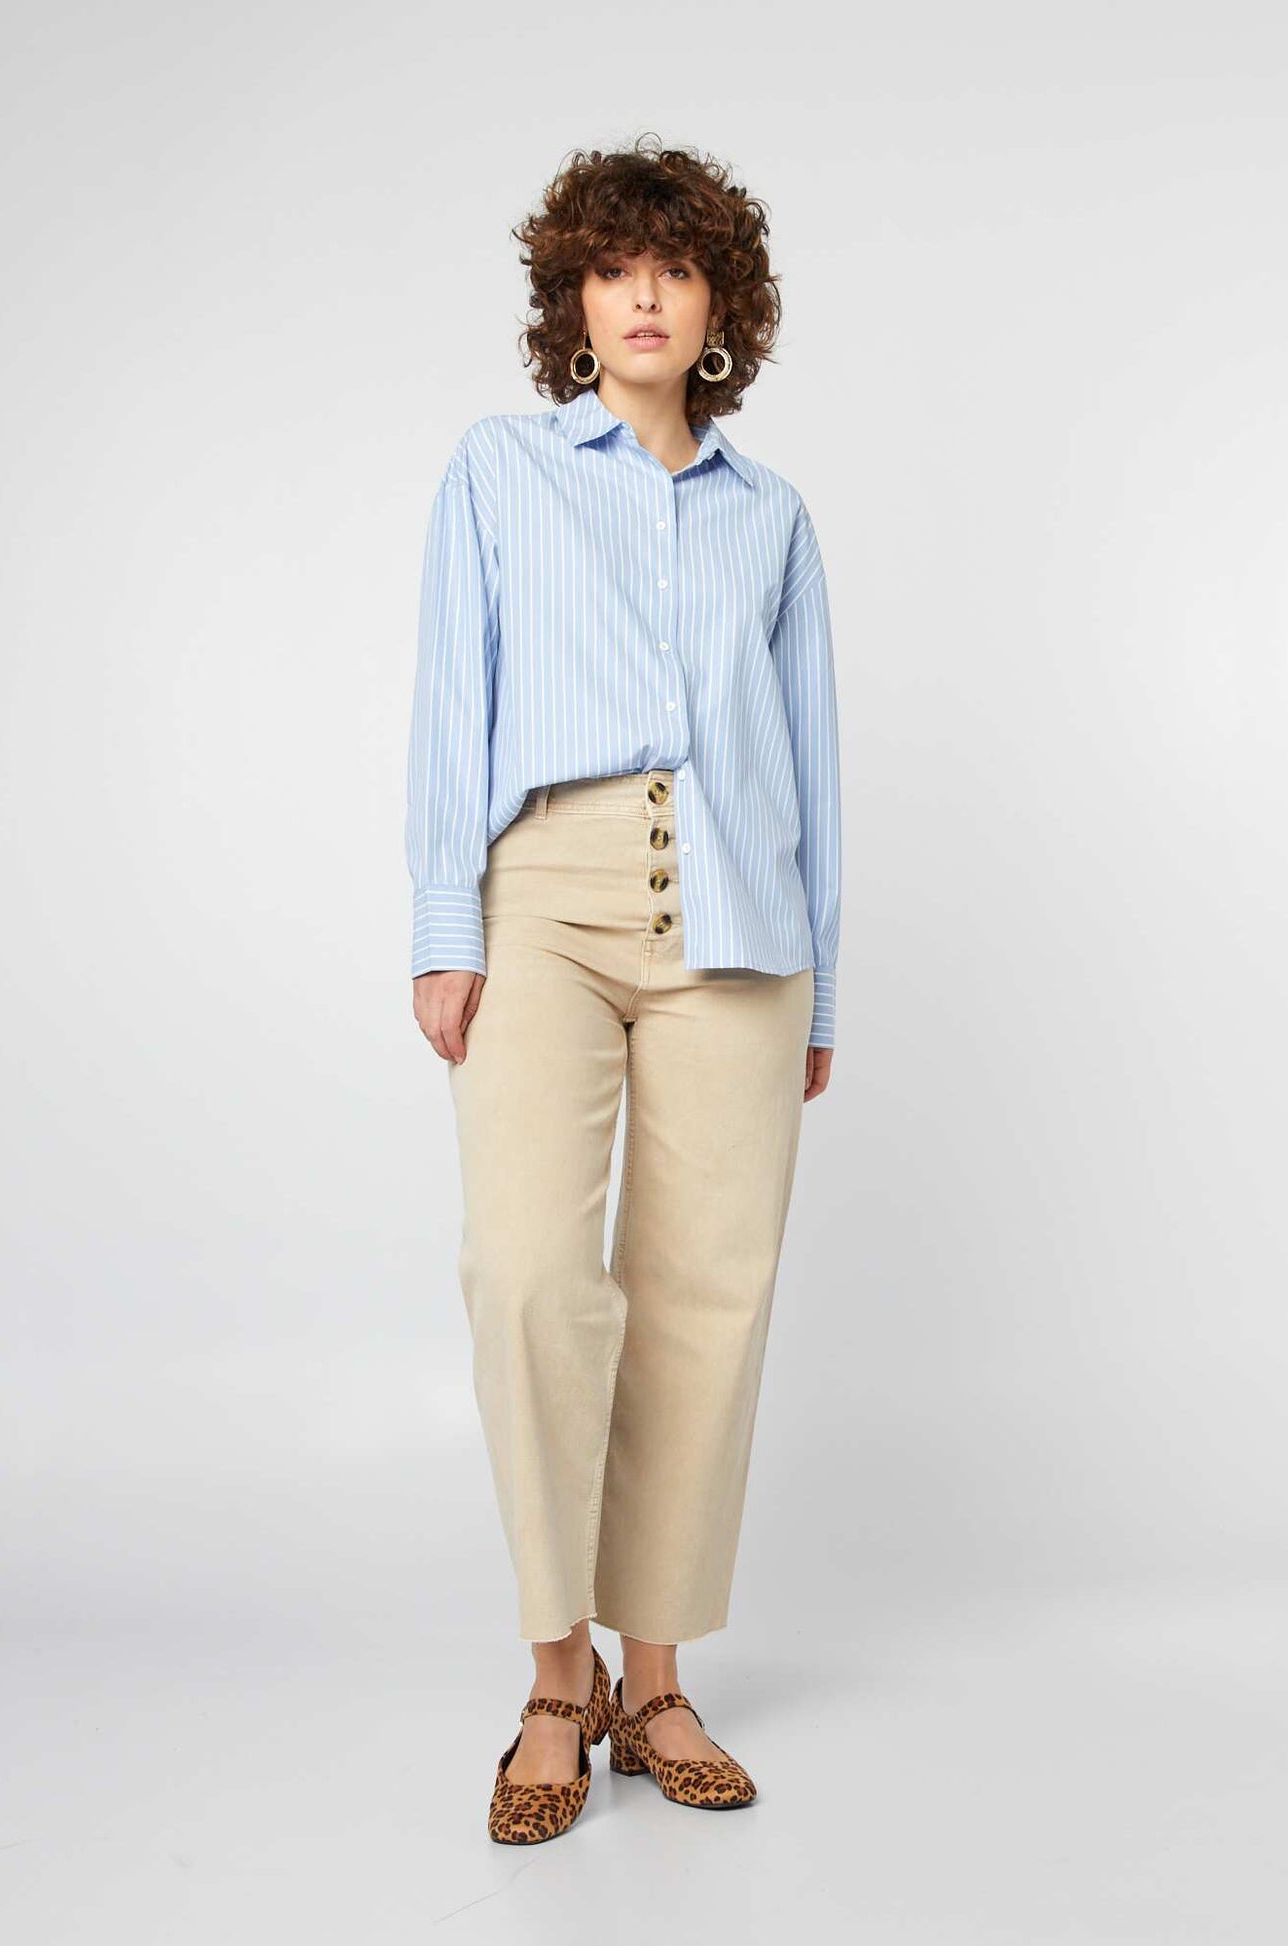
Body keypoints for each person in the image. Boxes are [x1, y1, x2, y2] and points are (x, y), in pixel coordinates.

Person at [404, 136, 843, 1844]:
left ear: (720, 306)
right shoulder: (499, 470)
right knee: (527, 1275)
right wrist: (445, 923)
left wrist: (820, 991)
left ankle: (652, 1680)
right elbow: (453, 696)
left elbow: (811, 762)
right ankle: (552, 1675)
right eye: (612, 268)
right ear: (571, 301)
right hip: (548, 893)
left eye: (675, 269)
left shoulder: (770, 516)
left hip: (740, 910)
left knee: (703, 1294)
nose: (644, 295)